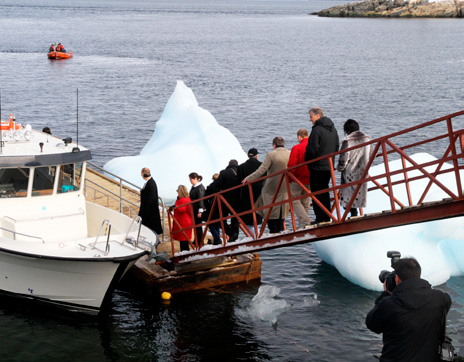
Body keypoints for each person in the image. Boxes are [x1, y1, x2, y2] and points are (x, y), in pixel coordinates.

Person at [366, 257, 452, 362]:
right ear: (418, 275)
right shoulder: (441, 298)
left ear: (397, 279)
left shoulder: (389, 304)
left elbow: (372, 325)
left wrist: (386, 293)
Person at [243, 137, 290, 233]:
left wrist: (248, 179)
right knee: (282, 205)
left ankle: (272, 229)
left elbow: (262, 170)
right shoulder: (290, 153)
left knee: (268, 205)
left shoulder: (271, 154)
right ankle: (281, 227)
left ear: (274, 145)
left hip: (272, 185)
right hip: (286, 184)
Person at [304, 107, 339, 224]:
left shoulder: (317, 130)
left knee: (317, 192)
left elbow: (312, 149)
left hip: (317, 166)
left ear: (318, 116)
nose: (310, 119)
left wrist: (307, 161)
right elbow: (336, 147)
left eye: (311, 116)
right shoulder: (333, 129)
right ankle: (327, 216)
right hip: (328, 165)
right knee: (325, 191)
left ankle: (320, 218)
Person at [336, 119, 371, 217]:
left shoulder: (348, 141)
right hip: (362, 171)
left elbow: (343, 159)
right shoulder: (367, 139)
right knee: (358, 193)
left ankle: (353, 214)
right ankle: (354, 214)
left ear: (347, 131)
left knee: (348, 197)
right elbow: (372, 154)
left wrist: (339, 168)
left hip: (350, 173)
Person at [208, 160, 240, 241]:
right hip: (238, 200)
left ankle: (230, 233)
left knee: (220, 219)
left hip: (225, 200)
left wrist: (207, 191)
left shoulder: (224, 173)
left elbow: (215, 185)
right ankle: (234, 236)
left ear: (229, 165)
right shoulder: (241, 171)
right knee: (235, 219)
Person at [287, 129, 312, 228]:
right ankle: (304, 222)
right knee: (306, 200)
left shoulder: (297, 148)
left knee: (295, 200)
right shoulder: (312, 146)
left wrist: (290, 178)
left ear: (299, 137)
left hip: (298, 178)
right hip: (310, 177)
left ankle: (304, 221)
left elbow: (292, 164)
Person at [237, 148, 264, 226]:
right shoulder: (261, 166)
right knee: (258, 215)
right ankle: (257, 234)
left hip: (246, 195)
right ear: (256, 156)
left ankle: (254, 234)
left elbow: (238, 183)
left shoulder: (241, 167)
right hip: (259, 194)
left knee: (248, 217)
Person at [138, 167, 163, 235]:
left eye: (141, 174)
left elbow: (150, 199)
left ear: (144, 175)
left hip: (149, 210)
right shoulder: (149, 182)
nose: (141, 175)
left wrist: (146, 211)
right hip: (146, 208)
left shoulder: (151, 184)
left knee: (150, 227)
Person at [170, 185, 193, 252]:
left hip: (183, 222)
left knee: (183, 241)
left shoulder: (182, 200)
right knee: (184, 240)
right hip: (187, 221)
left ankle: (185, 256)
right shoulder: (187, 198)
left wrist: (175, 206)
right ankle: (185, 255)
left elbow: (181, 209)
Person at [188, 172, 206, 246]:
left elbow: (201, 200)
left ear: (195, 178)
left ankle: (199, 242)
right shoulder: (194, 187)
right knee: (196, 226)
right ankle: (197, 240)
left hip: (198, 209)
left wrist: (200, 211)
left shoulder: (200, 188)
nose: (190, 181)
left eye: (191, 179)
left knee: (198, 226)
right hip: (194, 209)